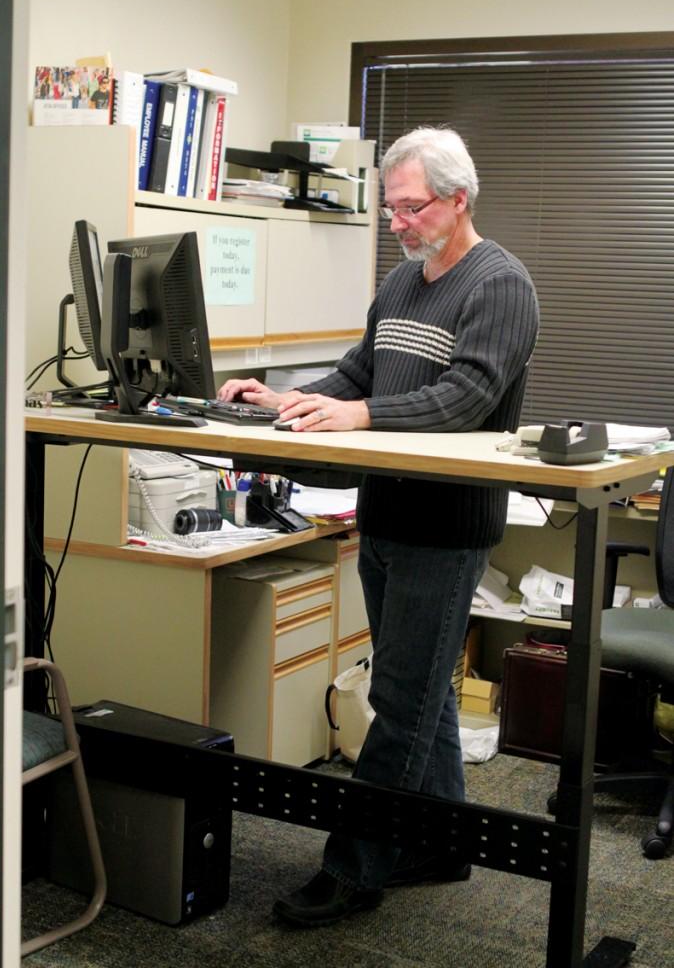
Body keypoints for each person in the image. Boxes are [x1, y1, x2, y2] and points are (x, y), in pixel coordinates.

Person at [218, 126, 540, 927]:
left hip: (447, 527)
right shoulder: (400, 285)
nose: (394, 221)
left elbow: (462, 399)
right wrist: (284, 400)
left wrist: (356, 413)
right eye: (391, 207)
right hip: (386, 514)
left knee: (398, 704)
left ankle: (352, 868)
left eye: (409, 207)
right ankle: (445, 843)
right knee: (420, 695)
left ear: (457, 200)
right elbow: (358, 374)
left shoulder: (499, 286)